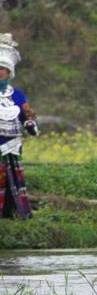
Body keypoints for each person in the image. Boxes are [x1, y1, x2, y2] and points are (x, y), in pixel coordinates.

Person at [0, 33, 38, 219]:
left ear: (9, 72)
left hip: (13, 145)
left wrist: (30, 123)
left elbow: (27, 117)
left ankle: (13, 215)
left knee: (12, 182)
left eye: (2, 69)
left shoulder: (18, 95)